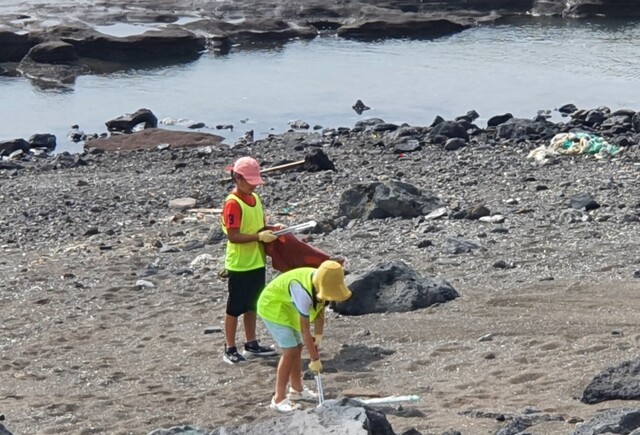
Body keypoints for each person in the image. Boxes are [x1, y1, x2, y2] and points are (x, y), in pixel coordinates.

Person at [257, 260, 352, 412]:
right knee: (290, 351)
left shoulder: (321, 283)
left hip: (286, 306)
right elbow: (305, 331)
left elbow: (320, 312)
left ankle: (296, 390)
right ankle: (278, 398)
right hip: (272, 306)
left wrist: (319, 335)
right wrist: (315, 359)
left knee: (298, 347)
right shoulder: (302, 291)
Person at [220, 156, 280, 364]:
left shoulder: (255, 199)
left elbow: (259, 227)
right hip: (239, 264)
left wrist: (271, 230)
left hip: (257, 261)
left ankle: (251, 343)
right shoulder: (233, 203)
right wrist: (258, 237)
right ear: (238, 178)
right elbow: (233, 236)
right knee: (235, 307)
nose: (254, 186)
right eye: (250, 182)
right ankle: (229, 347)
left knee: (253, 305)